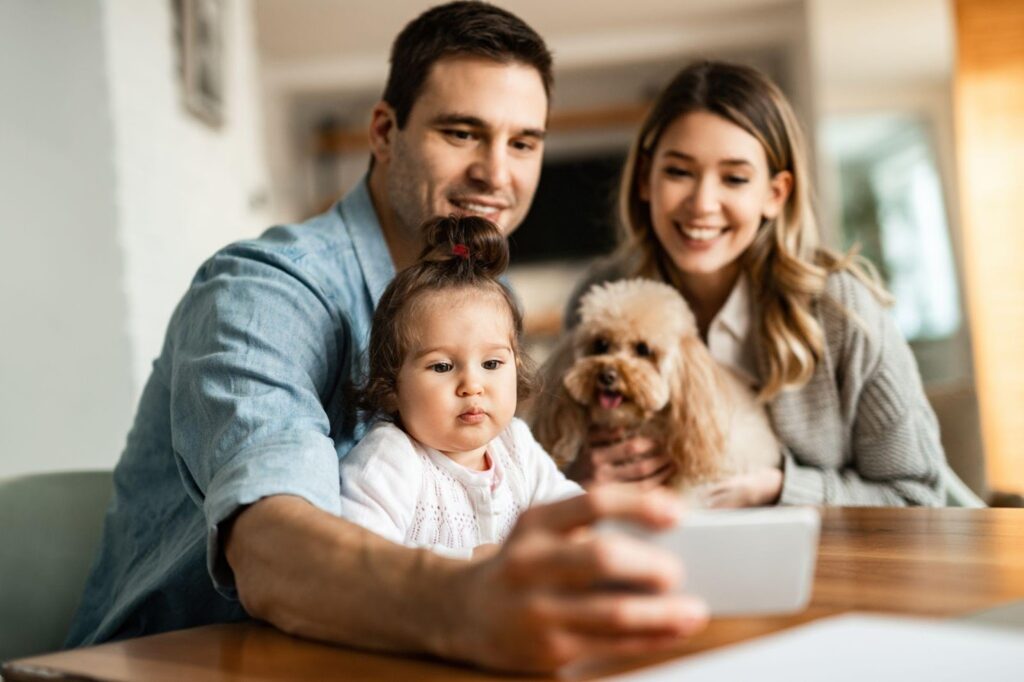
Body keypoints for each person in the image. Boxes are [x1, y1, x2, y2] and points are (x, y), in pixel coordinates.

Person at [65, 2, 708, 673]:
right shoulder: (262, 291)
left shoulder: (482, 297)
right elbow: (270, 552)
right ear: (383, 132)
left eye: (523, 142)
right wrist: (466, 604)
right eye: (462, 133)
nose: (498, 172)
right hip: (175, 664)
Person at [552, 60, 946, 507]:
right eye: (679, 172)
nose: (702, 204)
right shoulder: (599, 299)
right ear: (646, 178)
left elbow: (916, 495)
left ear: (774, 194)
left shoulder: (838, 310)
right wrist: (574, 478)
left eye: (735, 179)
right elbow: (550, 467)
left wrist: (783, 489)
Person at [340, 215, 582, 558]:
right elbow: (362, 560)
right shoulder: (391, 460)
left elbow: (569, 511)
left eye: (492, 364)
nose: (472, 385)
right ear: (390, 388)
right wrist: (470, 562)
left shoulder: (515, 445)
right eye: (442, 366)